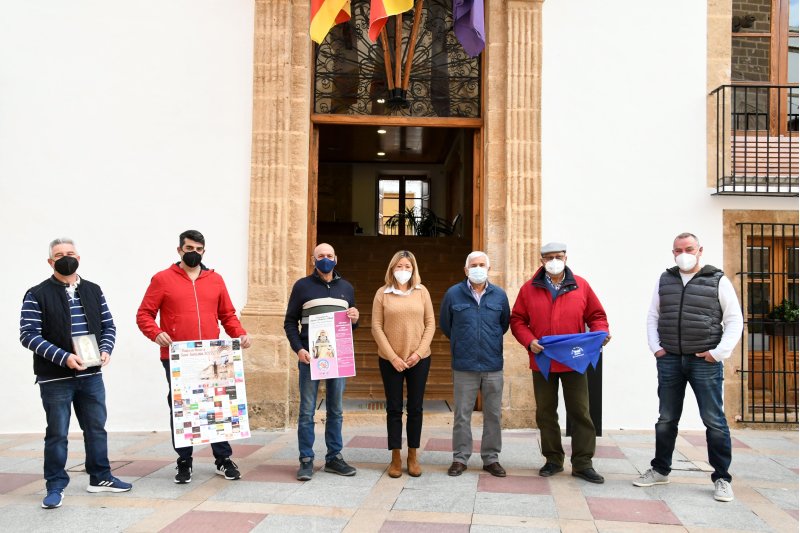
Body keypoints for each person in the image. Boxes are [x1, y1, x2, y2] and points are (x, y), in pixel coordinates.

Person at [19, 238, 132, 509]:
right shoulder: (36, 294)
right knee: (57, 433)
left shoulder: (93, 290)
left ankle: (100, 477)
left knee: (96, 429)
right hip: (55, 378)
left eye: (70, 253)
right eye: (59, 255)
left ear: (79, 257)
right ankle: (56, 484)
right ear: (50, 262)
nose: (65, 257)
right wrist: (64, 357)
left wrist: (105, 350)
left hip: (91, 376)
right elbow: (28, 335)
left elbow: (109, 325)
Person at [634, 232, 743, 502]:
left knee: (714, 421)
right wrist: (656, 348)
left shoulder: (717, 279)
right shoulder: (665, 279)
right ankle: (660, 470)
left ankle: (721, 478)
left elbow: (734, 320)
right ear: (673, 253)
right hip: (670, 358)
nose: (683, 253)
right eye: (678, 249)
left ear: (699, 250)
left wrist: (718, 354)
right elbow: (653, 316)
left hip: (703, 361)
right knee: (666, 418)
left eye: (689, 248)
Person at [136, 229, 251, 484]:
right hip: (178, 356)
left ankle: (222, 458)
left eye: (199, 250)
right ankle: (184, 460)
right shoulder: (162, 279)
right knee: (182, 408)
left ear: (203, 252)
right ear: (179, 250)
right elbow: (144, 314)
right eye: (189, 249)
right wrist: (156, 334)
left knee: (217, 405)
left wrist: (240, 334)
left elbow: (228, 315)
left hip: (212, 354)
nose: (194, 253)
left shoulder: (216, 280)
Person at [510, 242, 611, 484]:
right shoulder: (528, 289)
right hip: (543, 360)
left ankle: (583, 463)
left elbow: (596, 316)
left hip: (574, 360)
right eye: (548, 257)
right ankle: (553, 459)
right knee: (545, 412)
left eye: (558, 256)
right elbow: (517, 320)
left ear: (566, 257)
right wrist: (529, 340)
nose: (554, 260)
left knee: (580, 411)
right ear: (541, 261)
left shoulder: (581, 285)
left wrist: (601, 333)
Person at [284, 242, 360, 481]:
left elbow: (349, 326)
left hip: (338, 359)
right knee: (307, 411)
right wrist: (299, 349)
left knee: (336, 410)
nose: (325, 259)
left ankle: (334, 458)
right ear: (313, 259)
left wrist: (355, 318)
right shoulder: (302, 287)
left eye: (329, 255)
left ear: (336, 259)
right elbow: (290, 322)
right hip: (309, 359)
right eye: (320, 256)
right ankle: (306, 459)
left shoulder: (346, 288)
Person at [440, 251, 510, 478]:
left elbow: (504, 324)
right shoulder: (453, 294)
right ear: (465, 270)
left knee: (493, 414)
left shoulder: (499, 296)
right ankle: (460, 458)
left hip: (492, 365)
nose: (478, 268)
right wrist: (463, 343)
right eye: (473, 265)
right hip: (464, 365)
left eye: (482, 264)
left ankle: (491, 458)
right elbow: (446, 325)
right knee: (462, 414)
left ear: (488, 269)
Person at [371, 250, 436, 478]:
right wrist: (393, 357)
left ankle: (413, 455)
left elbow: (430, 324)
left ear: (413, 269)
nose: (403, 271)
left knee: (416, 408)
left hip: (419, 359)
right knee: (394, 408)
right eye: (399, 266)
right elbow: (376, 327)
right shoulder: (383, 293)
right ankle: (395, 457)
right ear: (392, 269)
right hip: (391, 360)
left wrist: (418, 353)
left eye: (407, 266)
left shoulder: (422, 291)